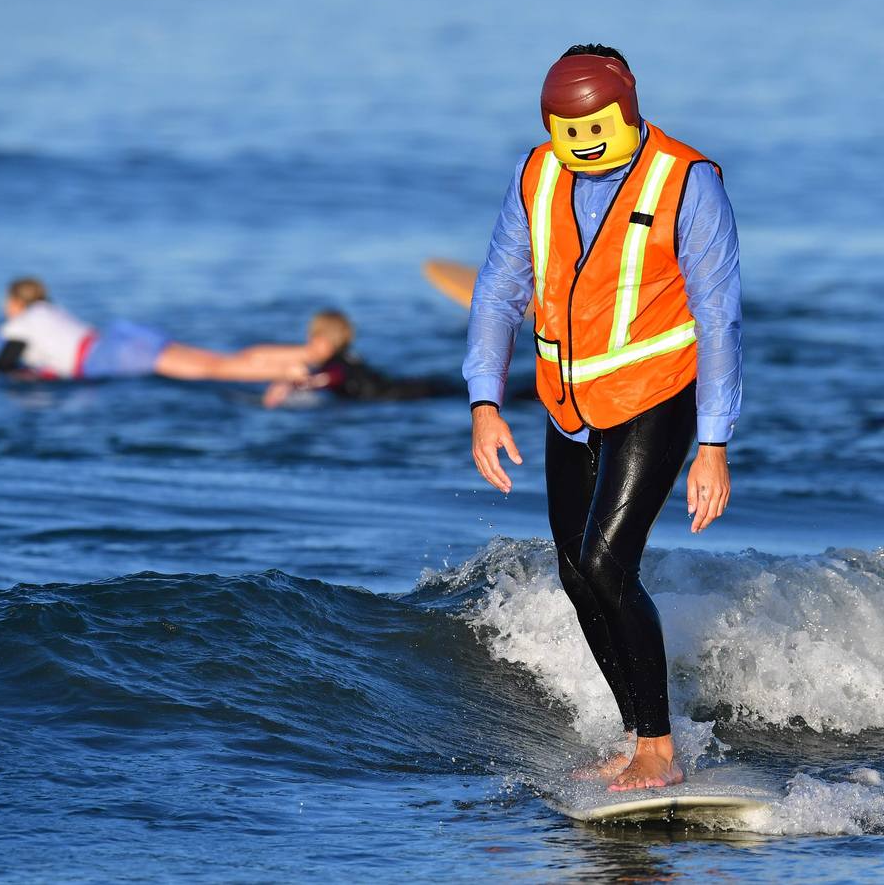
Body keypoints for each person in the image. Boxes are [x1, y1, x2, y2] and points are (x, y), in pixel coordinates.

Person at [463, 45, 741, 792]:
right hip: (569, 404)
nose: (583, 143)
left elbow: (719, 317)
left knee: (606, 564)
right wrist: (485, 402)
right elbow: (497, 291)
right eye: (568, 129)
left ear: (626, 107)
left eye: (596, 126)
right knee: (575, 573)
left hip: (657, 395)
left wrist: (712, 444)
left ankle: (660, 748)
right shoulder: (535, 174)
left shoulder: (687, 180)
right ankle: (634, 736)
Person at [0, 277, 312, 383]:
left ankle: (290, 372)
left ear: (14, 302)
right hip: (121, 339)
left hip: (109, 356)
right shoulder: (50, 310)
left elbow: (0, 366)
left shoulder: (22, 320)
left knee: (213, 371)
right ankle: (303, 355)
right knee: (219, 361)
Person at [261, 310, 465, 407]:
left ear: (323, 341)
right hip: (412, 388)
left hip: (408, 394)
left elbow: (331, 377)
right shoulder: (348, 358)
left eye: (312, 339)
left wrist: (292, 385)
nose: (309, 345)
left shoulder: (336, 366)